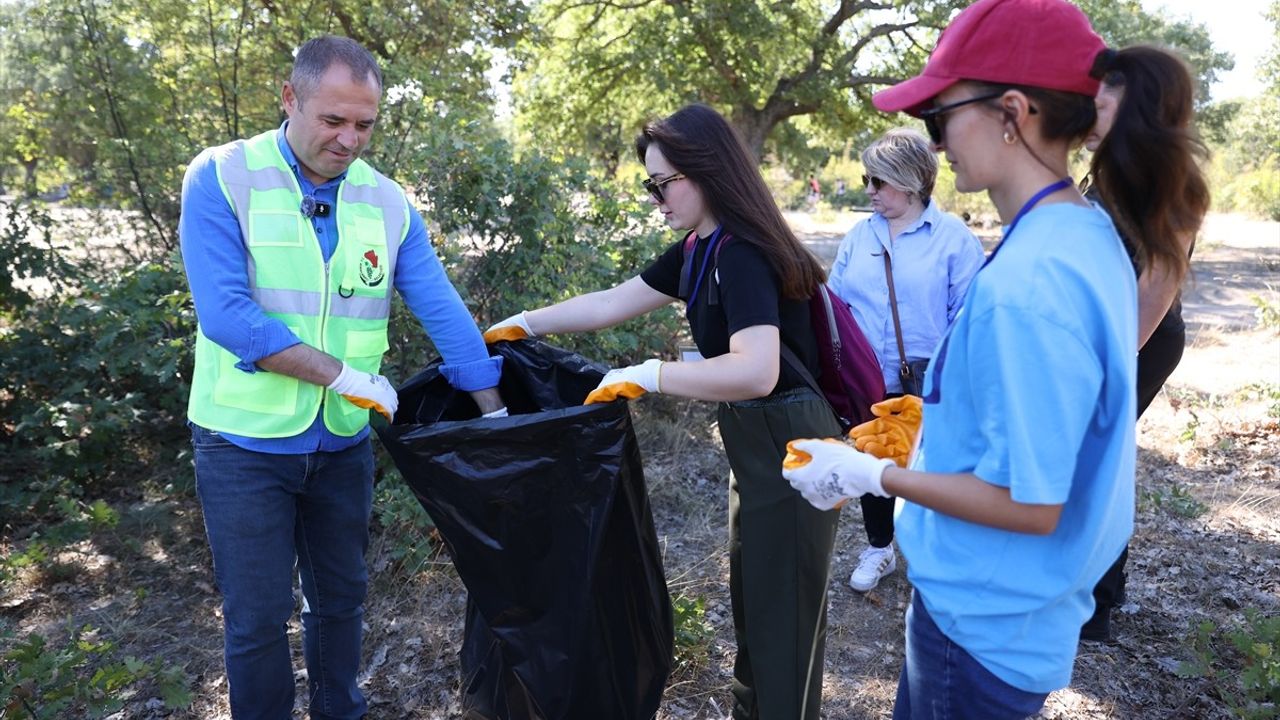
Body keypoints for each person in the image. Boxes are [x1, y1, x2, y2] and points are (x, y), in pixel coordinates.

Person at [780, 0, 1207, 716]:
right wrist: (935, 427)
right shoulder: (1084, 232)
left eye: (939, 116)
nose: (937, 143)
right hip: (1011, 608)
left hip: (980, 624)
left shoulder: (1028, 283)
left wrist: (870, 474)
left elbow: (1031, 503)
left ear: (1012, 112)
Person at [179, 35, 506, 719]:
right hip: (243, 443)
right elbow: (229, 318)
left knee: (340, 601)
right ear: (289, 98)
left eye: (364, 124)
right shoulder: (223, 175)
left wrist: (496, 412)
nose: (349, 140)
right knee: (257, 618)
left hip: (340, 445)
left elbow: (440, 305)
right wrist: (346, 378)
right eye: (333, 120)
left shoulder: (386, 201)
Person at [485, 104, 840, 720]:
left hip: (791, 443)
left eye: (662, 183)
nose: (656, 199)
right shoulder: (699, 249)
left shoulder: (742, 252)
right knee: (756, 605)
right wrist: (523, 323)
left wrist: (651, 375)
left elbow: (757, 370)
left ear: (706, 171)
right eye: (650, 185)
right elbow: (610, 303)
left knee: (782, 619)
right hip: (758, 445)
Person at [1080, 50, 1209, 642]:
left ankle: (1098, 606)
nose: (1090, 112)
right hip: (1099, 337)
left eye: (1103, 103)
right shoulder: (1107, 170)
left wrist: (1104, 368)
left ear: (1137, 109)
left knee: (1101, 459)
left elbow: (1156, 291)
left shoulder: (1176, 185)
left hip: (1140, 338)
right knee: (1087, 457)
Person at [827, 128, 983, 593]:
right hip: (865, 375)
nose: (869, 191)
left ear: (911, 180)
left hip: (929, 380)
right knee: (874, 459)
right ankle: (879, 548)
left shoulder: (953, 238)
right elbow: (835, 303)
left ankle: (938, 560)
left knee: (931, 470)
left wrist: (952, 379)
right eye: (866, 179)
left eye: (878, 180)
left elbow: (969, 316)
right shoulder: (860, 235)